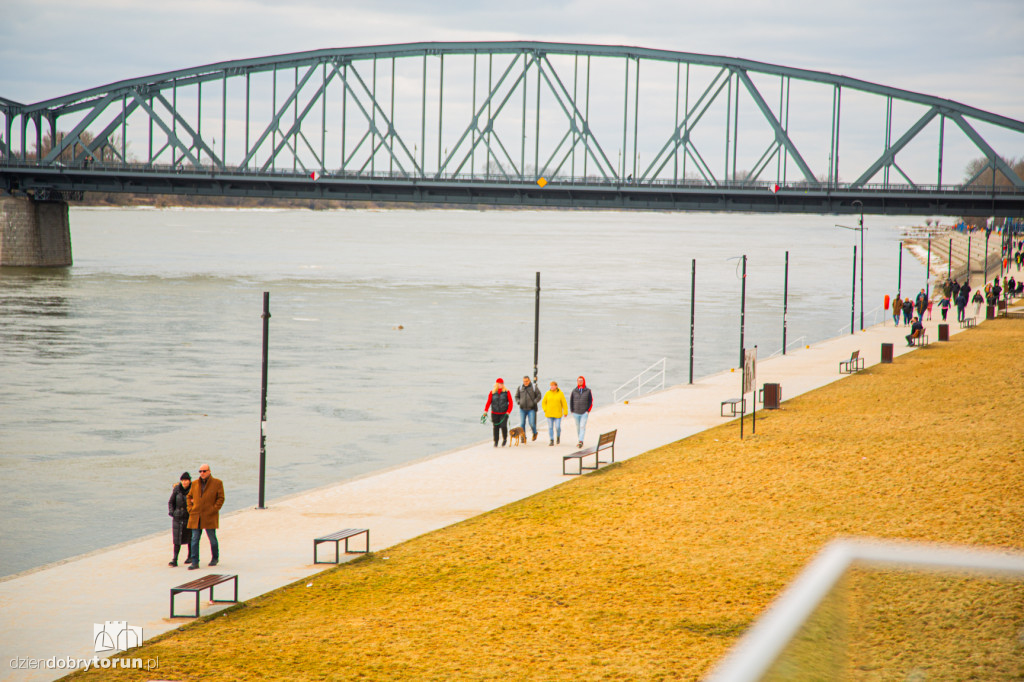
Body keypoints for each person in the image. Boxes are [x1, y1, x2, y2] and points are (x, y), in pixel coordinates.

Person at [186, 463, 225, 569]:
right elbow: (189, 497)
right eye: (200, 471)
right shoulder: (194, 484)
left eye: (204, 471)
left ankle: (215, 558)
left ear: (209, 471)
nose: (202, 473)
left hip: (209, 516)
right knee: (194, 539)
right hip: (196, 515)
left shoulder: (217, 483)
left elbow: (221, 498)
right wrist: (190, 509)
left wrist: (214, 509)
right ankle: (195, 562)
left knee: (212, 538)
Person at [167, 472, 193, 567]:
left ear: (189, 481)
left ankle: (190, 556)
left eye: (186, 480)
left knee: (189, 537)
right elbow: (171, 502)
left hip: (188, 516)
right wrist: (172, 512)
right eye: (182, 480)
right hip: (177, 517)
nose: (184, 482)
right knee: (177, 538)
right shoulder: (176, 489)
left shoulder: (193, 489)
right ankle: (175, 559)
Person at [483, 378, 513, 447]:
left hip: (504, 413)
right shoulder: (492, 392)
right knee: (495, 427)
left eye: (502, 384)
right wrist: (485, 411)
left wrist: (508, 411)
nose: (501, 385)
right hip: (494, 413)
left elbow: (511, 402)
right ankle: (496, 441)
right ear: (496, 384)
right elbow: (488, 402)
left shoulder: (507, 392)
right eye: (499, 384)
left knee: (503, 426)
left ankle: (504, 439)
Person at [515, 376, 542, 442]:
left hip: (531, 409)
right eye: (524, 381)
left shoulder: (533, 387)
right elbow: (516, 396)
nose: (525, 383)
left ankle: (535, 433)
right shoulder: (520, 387)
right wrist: (518, 401)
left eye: (526, 381)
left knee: (532, 423)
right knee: (522, 424)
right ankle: (523, 437)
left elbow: (539, 395)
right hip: (522, 409)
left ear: (529, 380)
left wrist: (535, 401)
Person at [541, 380, 568, 446]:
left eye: (553, 385)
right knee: (550, 427)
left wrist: (565, 412)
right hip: (549, 414)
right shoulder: (547, 393)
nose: (552, 387)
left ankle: (558, 437)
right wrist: (545, 409)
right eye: (551, 385)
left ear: (556, 386)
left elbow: (564, 403)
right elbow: (543, 402)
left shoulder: (560, 394)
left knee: (557, 427)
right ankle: (551, 440)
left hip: (557, 414)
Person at [569, 376, 593, 449]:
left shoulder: (588, 391)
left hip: (584, 413)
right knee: (578, 427)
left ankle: (580, 441)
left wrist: (588, 411)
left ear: (583, 381)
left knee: (582, 426)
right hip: (576, 412)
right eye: (579, 381)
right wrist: (572, 410)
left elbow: (590, 401)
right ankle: (580, 439)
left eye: (581, 380)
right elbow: (571, 401)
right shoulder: (574, 391)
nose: (580, 382)